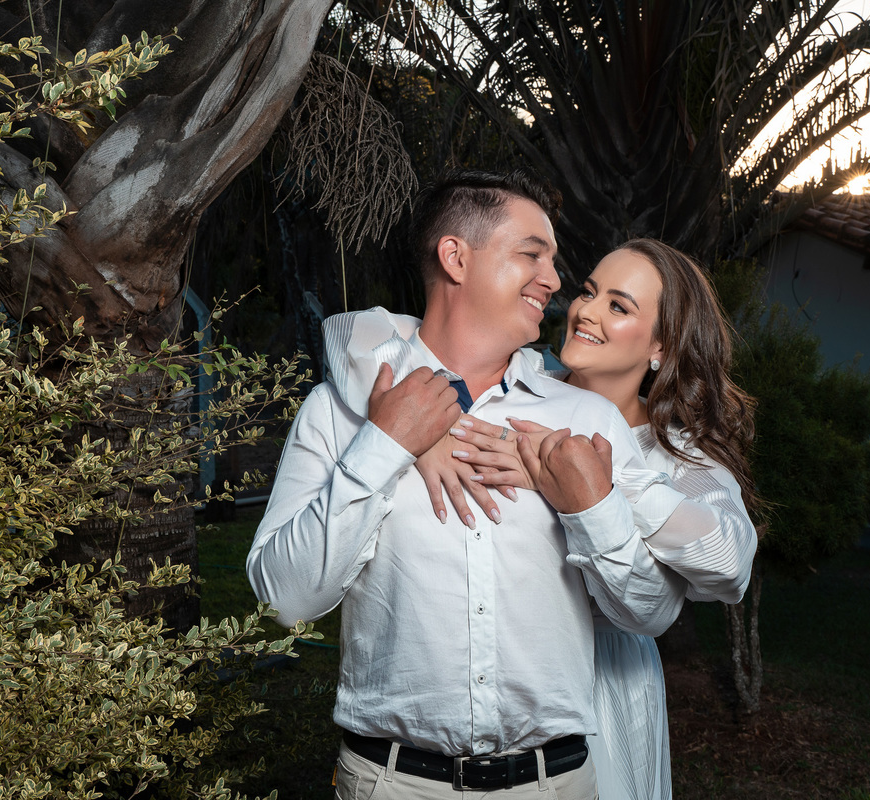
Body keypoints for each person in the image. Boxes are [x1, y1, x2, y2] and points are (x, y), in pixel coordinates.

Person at [249, 170, 751, 799]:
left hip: (562, 774)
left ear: (659, 347)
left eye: (616, 305)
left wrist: (592, 500)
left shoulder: (587, 424)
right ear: (455, 257)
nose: (562, 288)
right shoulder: (348, 403)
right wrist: (387, 443)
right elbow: (282, 602)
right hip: (393, 783)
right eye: (532, 255)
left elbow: (663, 606)